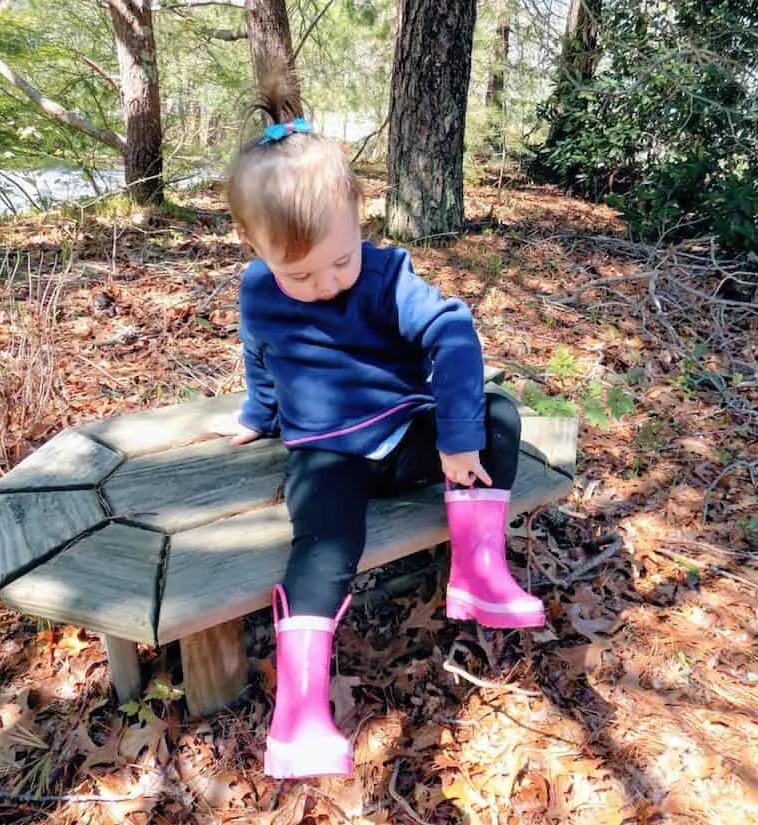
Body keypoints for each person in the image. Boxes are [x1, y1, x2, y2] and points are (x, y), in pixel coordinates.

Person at [215, 77, 545, 780]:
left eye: (341, 259)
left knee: (499, 416)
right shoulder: (255, 291)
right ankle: (300, 710)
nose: (328, 283)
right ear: (255, 248)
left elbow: (452, 332)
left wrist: (456, 436)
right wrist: (257, 415)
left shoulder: (388, 275)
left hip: (407, 435)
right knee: (323, 542)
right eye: (300, 275)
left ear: (360, 218)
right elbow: (260, 355)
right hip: (329, 455)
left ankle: (478, 572)